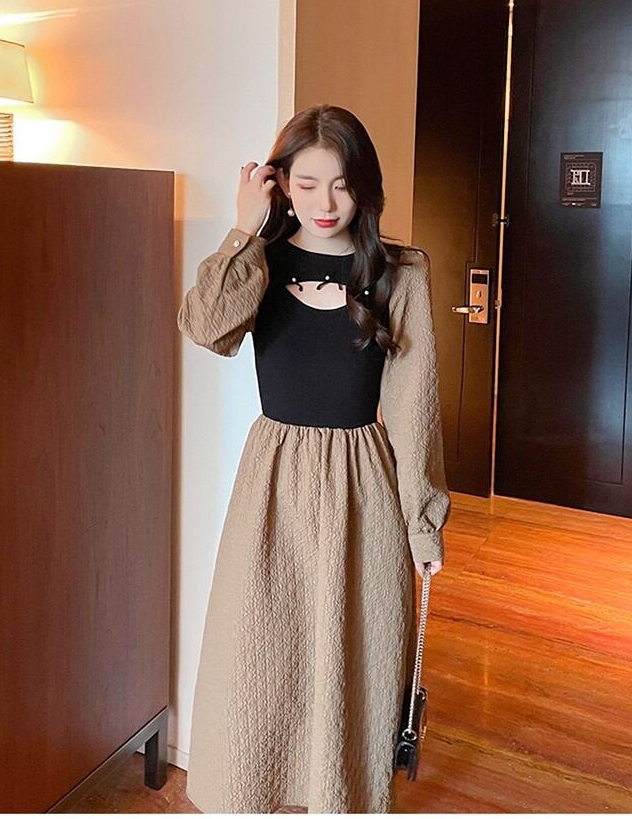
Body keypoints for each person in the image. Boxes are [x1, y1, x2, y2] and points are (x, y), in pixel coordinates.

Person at [178, 104, 451, 814]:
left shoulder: (401, 272)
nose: (324, 203)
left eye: (341, 185)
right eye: (305, 184)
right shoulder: (259, 263)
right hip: (272, 486)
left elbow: (415, 407)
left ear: (364, 187)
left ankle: (336, 797)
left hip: (364, 487)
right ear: (280, 184)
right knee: (260, 658)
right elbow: (205, 328)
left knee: (353, 657)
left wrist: (423, 524)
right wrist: (244, 227)